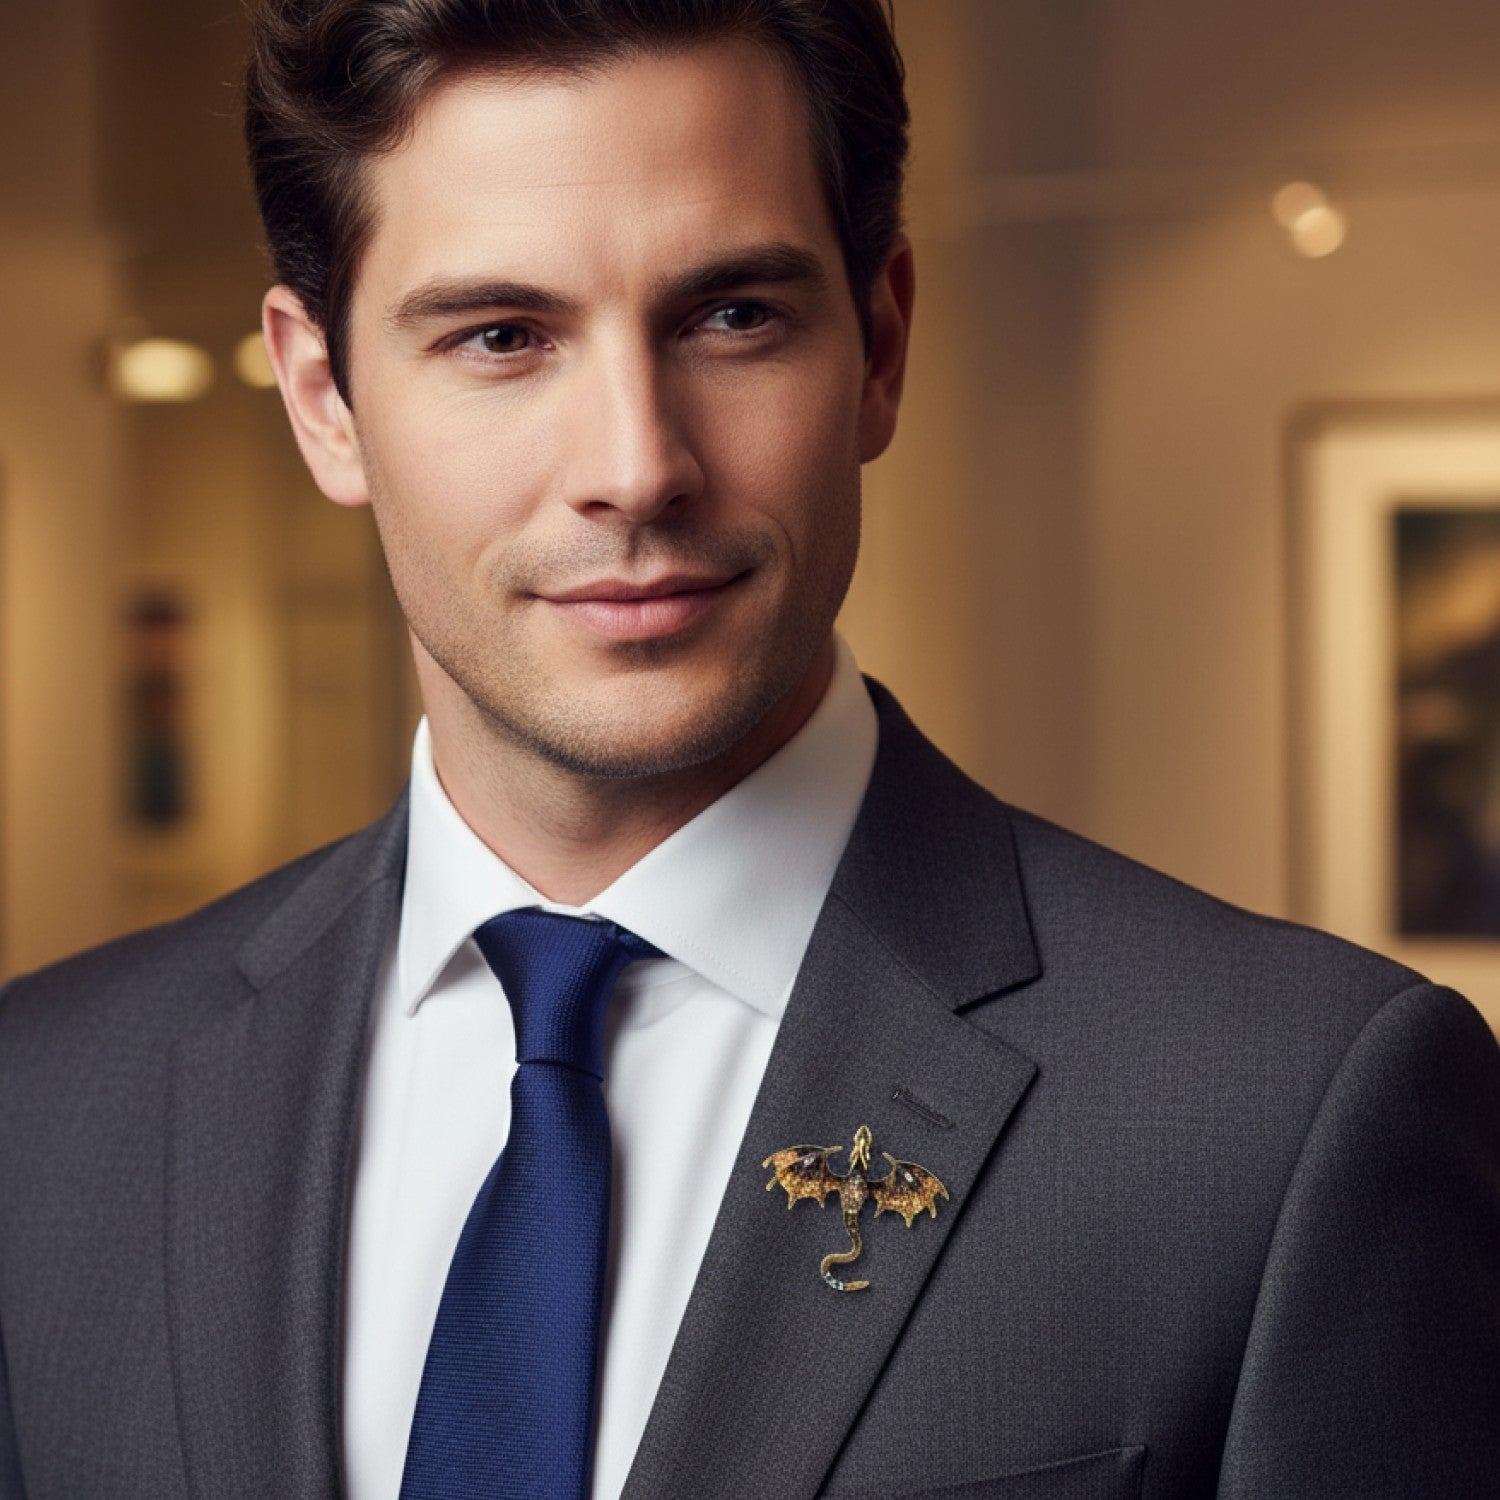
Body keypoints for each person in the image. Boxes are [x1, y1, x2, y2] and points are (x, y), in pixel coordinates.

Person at [1, 1, 1498, 1496]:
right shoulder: (43, 1111)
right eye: (502, 337)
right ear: (324, 397)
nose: (636, 466)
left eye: (732, 317)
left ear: (882, 346)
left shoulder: (1285, 1117)